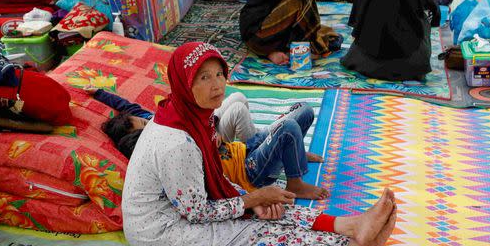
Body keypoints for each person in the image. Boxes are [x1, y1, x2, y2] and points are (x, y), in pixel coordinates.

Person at [122, 42, 398, 246]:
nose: (217, 85)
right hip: (159, 231)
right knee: (260, 233)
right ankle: (358, 242)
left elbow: (214, 179)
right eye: (203, 77)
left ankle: (350, 225)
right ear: (184, 84)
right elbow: (198, 213)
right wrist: (250, 200)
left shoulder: (191, 117)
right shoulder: (176, 141)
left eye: (219, 74)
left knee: (270, 207)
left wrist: (252, 202)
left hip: (181, 208)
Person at [96, 88, 328, 199]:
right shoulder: (165, 150)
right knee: (287, 128)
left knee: (303, 110)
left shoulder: (158, 121)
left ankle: (292, 151)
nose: (148, 124)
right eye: (143, 126)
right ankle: (295, 182)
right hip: (250, 171)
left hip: (243, 148)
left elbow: (128, 106)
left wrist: (98, 93)